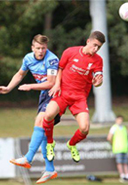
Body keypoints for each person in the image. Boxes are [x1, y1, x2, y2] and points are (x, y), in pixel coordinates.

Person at [0, 34, 60, 184]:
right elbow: (20, 74)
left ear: (46, 48)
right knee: (43, 128)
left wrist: (30, 86)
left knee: (40, 121)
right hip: (45, 95)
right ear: (32, 48)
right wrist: (8, 88)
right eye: (38, 48)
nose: (41, 51)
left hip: (56, 93)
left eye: (43, 48)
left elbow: (51, 83)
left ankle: (28, 157)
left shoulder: (51, 59)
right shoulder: (28, 58)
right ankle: (50, 169)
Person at [42, 31, 106, 163]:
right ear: (88, 41)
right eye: (94, 45)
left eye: (98, 47)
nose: (95, 49)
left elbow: (99, 79)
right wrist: (57, 85)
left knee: (85, 129)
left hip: (79, 98)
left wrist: (98, 83)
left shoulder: (98, 60)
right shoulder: (70, 52)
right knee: (48, 115)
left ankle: (71, 144)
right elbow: (60, 68)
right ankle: (50, 144)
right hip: (63, 93)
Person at [107, 115, 128, 182]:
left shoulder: (124, 128)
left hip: (124, 148)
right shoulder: (114, 127)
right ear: (116, 120)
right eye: (119, 119)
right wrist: (113, 144)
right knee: (119, 162)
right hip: (118, 148)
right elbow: (109, 137)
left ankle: (127, 176)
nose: (120, 121)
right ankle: (122, 176)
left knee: (125, 163)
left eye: (121, 119)